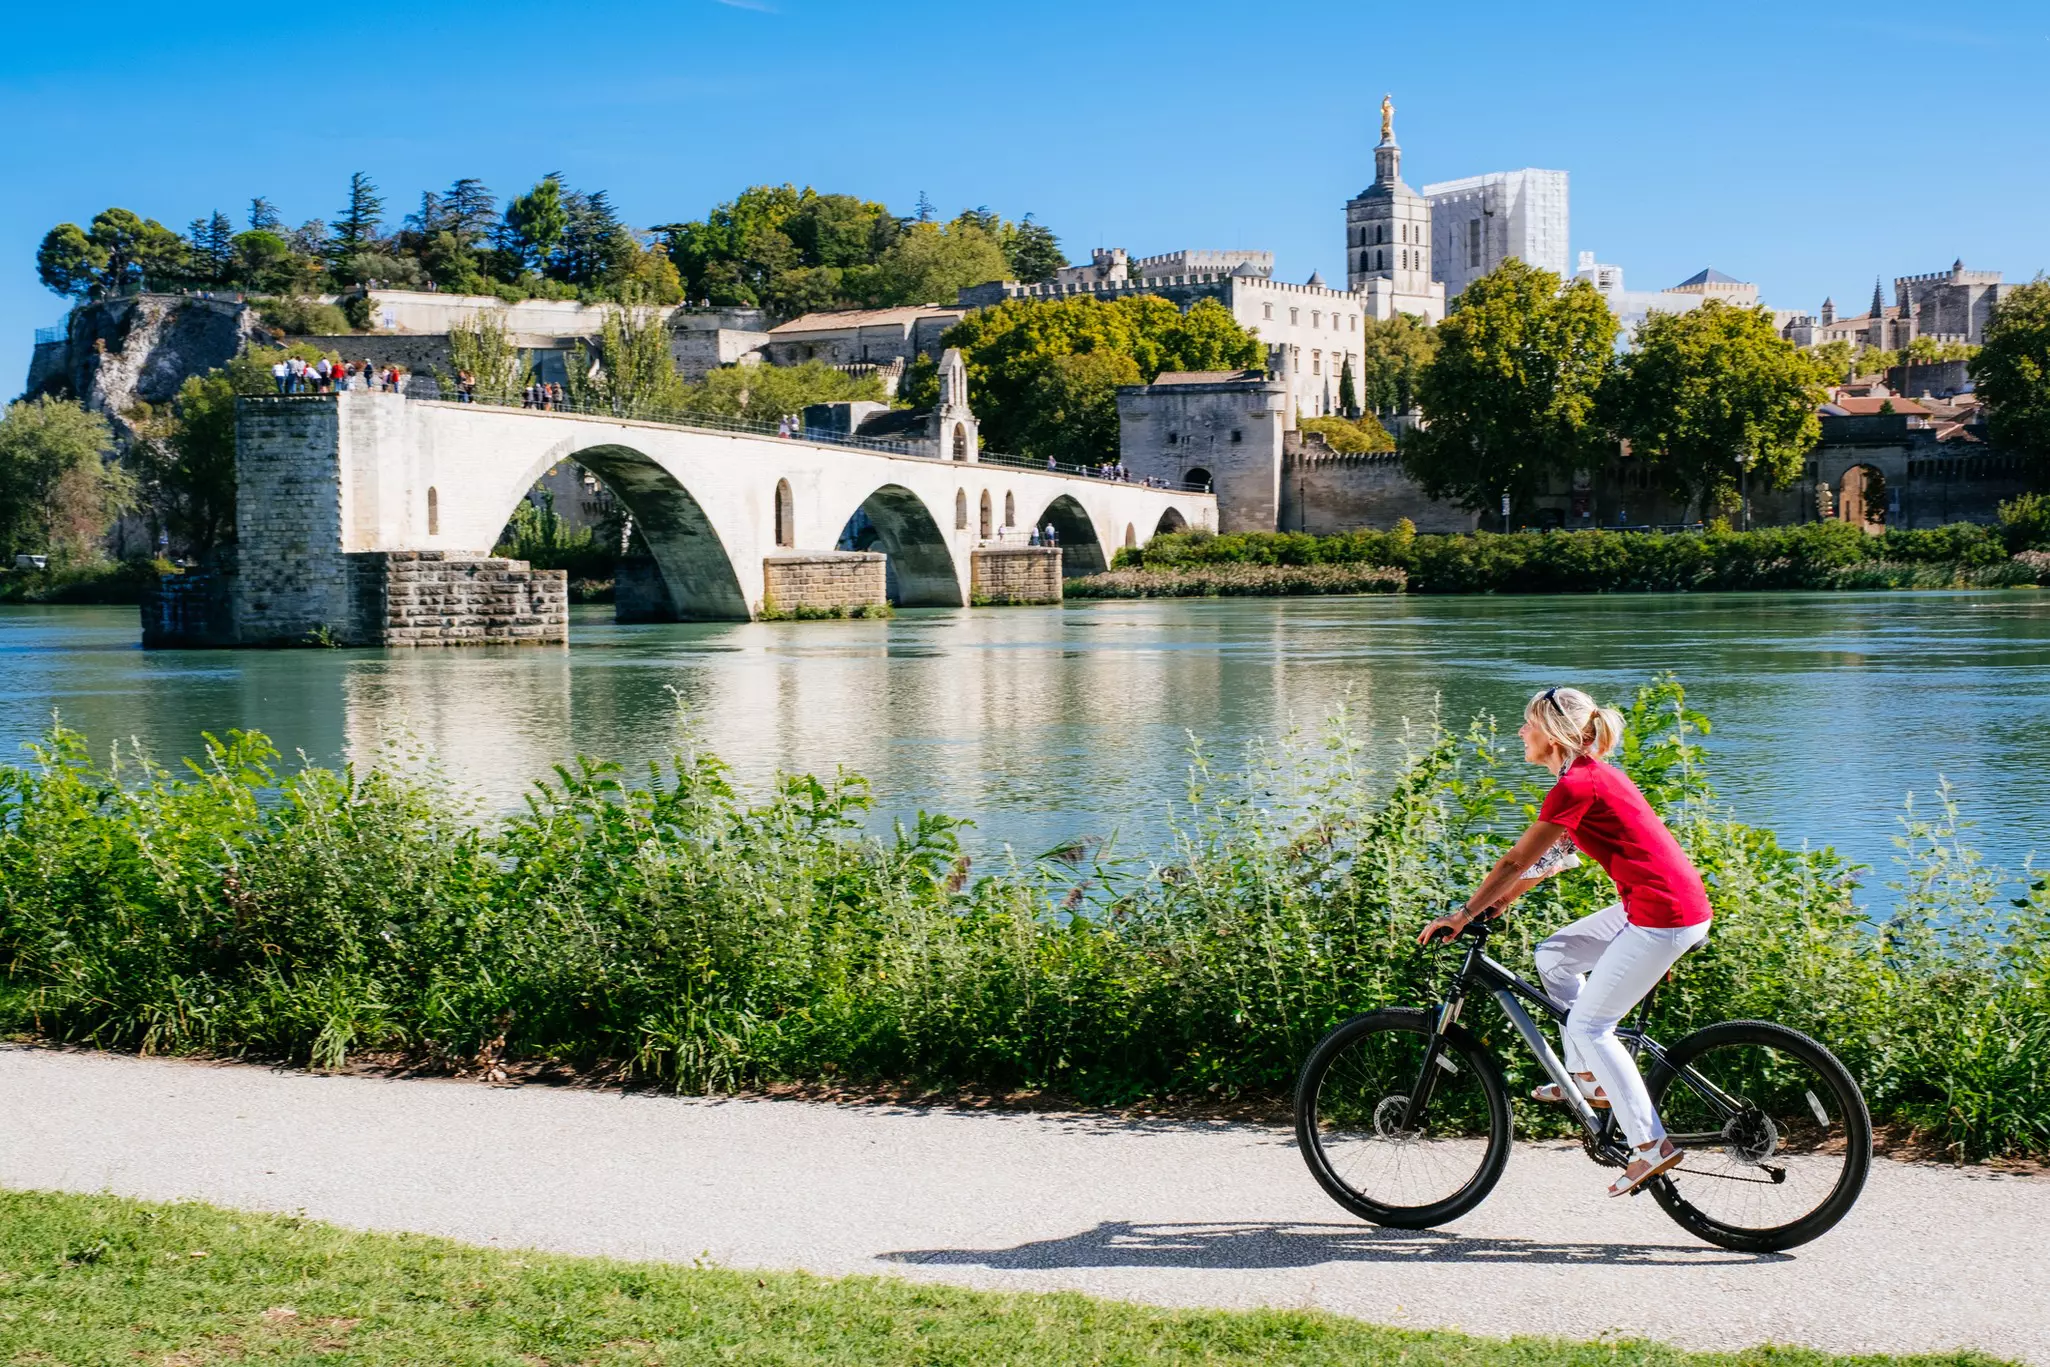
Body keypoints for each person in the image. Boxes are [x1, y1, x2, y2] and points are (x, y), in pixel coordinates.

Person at [1417, 686, 1713, 1198]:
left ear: (1550, 734)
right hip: (1652, 905)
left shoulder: (1577, 784)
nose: (1520, 734)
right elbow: (1556, 856)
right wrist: (1501, 902)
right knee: (1554, 955)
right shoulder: (1585, 777)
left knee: (1592, 1023)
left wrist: (1464, 914)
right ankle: (1589, 1079)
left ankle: (1650, 1145)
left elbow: (1514, 860)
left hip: (1663, 915)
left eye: (1526, 724)